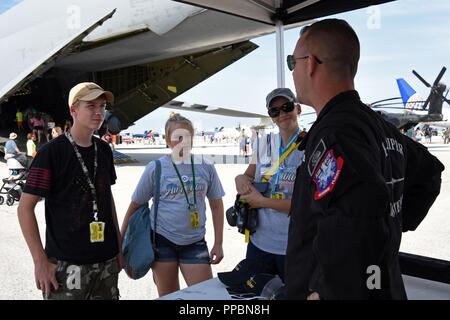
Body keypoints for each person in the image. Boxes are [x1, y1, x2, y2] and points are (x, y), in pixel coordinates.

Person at [285, 19, 444, 300]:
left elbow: (359, 210)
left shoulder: (336, 133)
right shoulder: (376, 125)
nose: (293, 70)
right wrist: (393, 224)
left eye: (292, 61)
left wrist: (324, 289)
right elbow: (429, 172)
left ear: (309, 63)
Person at [18, 82, 122, 300]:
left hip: (107, 262)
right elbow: (25, 208)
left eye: (102, 106)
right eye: (91, 105)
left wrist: (119, 247)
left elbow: (106, 198)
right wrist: (40, 261)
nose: (99, 112)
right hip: (67, 265)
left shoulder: (103, 150)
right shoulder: (50, 153)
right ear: (73, 110)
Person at [121, 113, 225, 297]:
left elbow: (216, 205)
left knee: (207, 296)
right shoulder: (156, 168)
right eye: (177, 137)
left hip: (195, 242)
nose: (182, 141)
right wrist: (120, 244)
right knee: (169, 297)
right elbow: (135, 205)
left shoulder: (205, 166)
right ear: (168, 140)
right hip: (162, 242)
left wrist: (218, 243)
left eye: (186, 136)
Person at [234, 88, 304, 281]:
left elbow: (306, 204)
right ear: (271, 117)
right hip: (259, 244)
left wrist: (262, 202)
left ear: (298, 109)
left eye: (287, 107)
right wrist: (239, 179)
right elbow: (248, 174)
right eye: (275, 111)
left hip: (293, 247)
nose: (282, 114)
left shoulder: (310, 145)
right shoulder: (264, 144)